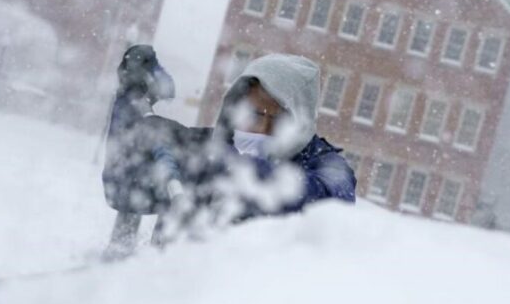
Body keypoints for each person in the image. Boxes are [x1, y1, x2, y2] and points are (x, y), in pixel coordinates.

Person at [102, 45, 356, 256]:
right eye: (255, 115)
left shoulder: (327, 166)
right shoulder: (206, 146)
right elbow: (125, 186)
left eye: (280, 121)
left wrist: (228, 165)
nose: (264, 129)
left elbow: (328, 203)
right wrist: (129, 100)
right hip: (171, 296)